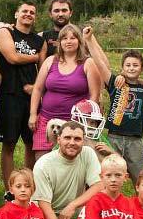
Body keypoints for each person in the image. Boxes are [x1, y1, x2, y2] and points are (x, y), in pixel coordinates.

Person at [83, 26, 143, 183]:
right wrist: (89, 40)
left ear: (141, 68)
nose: (131, 68)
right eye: (128, 65)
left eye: (135, 65)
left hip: (136, 140)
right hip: (114, 137)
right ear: (123, 67)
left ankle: (140, 205)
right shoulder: (116, 83)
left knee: (139, 177)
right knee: (110, 176)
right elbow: (100, 63)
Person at [29, 24, 100, 158]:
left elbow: (94, 95)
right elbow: (38, 88)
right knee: (42, 160)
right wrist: (33, 113)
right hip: (47, 120)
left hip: (74, 123)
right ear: (59, 42)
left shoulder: (88, 63)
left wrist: (87, 122)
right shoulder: (50, 61)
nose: (68, 41)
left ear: (80, 41)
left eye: (73, 38)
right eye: (64, 38)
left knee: (71, 160)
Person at [0, 1, 46, 185]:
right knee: (8, 143)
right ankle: (10, 189)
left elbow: (44, 70)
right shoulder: (5, 32)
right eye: (24, 11)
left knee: (31, 143)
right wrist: (34, 56)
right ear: (16, 14)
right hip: (9, 94)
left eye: (32, 12)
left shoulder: (40, 41)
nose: (28, 14)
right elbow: (12, 57)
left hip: (31, 98)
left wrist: (37, 89)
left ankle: (27, 184)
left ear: (35, 17)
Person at [32, 121, 102, 219]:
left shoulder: (88, 153)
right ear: (59, 139)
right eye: (67, 138)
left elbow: (98, 186)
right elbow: (44, 205)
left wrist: (72, 206)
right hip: (46, 214)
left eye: (77, 139)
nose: (72, 142)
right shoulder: (43, 165)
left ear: (83, 141)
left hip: (73, 210)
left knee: (103, 211)